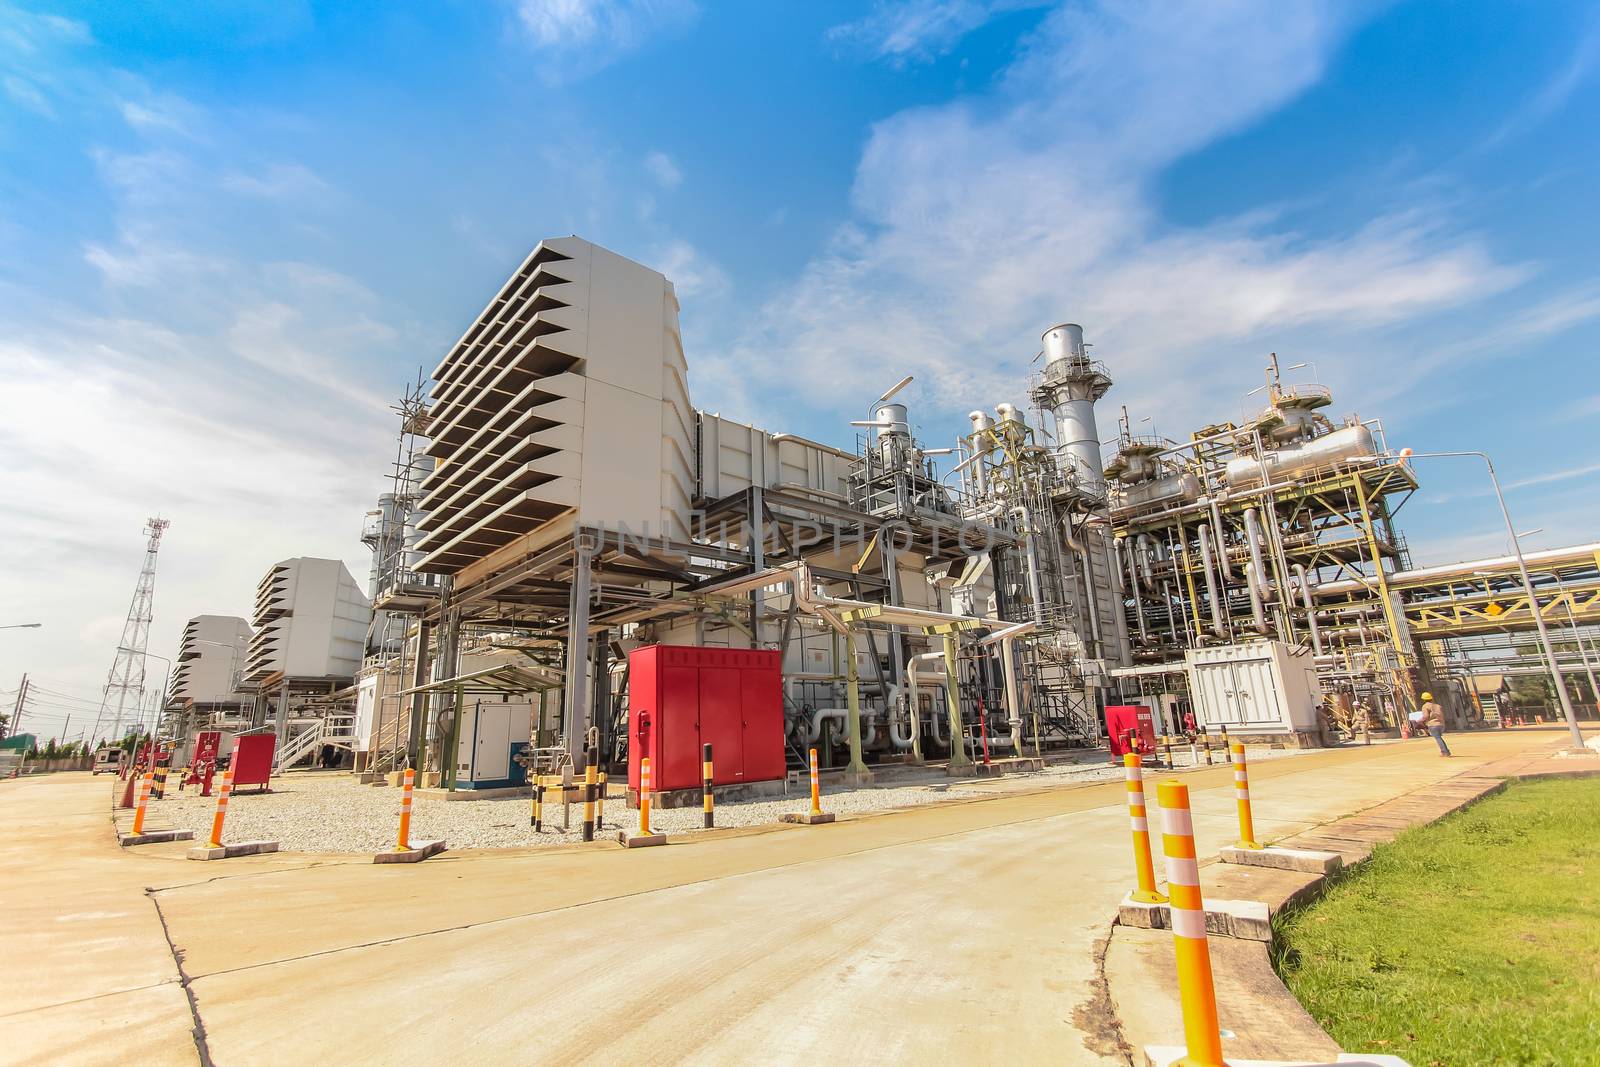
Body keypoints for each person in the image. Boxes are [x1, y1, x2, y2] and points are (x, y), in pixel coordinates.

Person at [1420, 692, 1450, 757]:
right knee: (1439, 737)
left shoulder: (1425, 706)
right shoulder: (1438, 706)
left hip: (1433, 724)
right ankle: (1444, 751)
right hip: (1441, 725)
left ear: (1423, 699)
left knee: (1438, 738)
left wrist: (1420, 720)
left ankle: (1445, 752)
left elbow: (1426, 716)